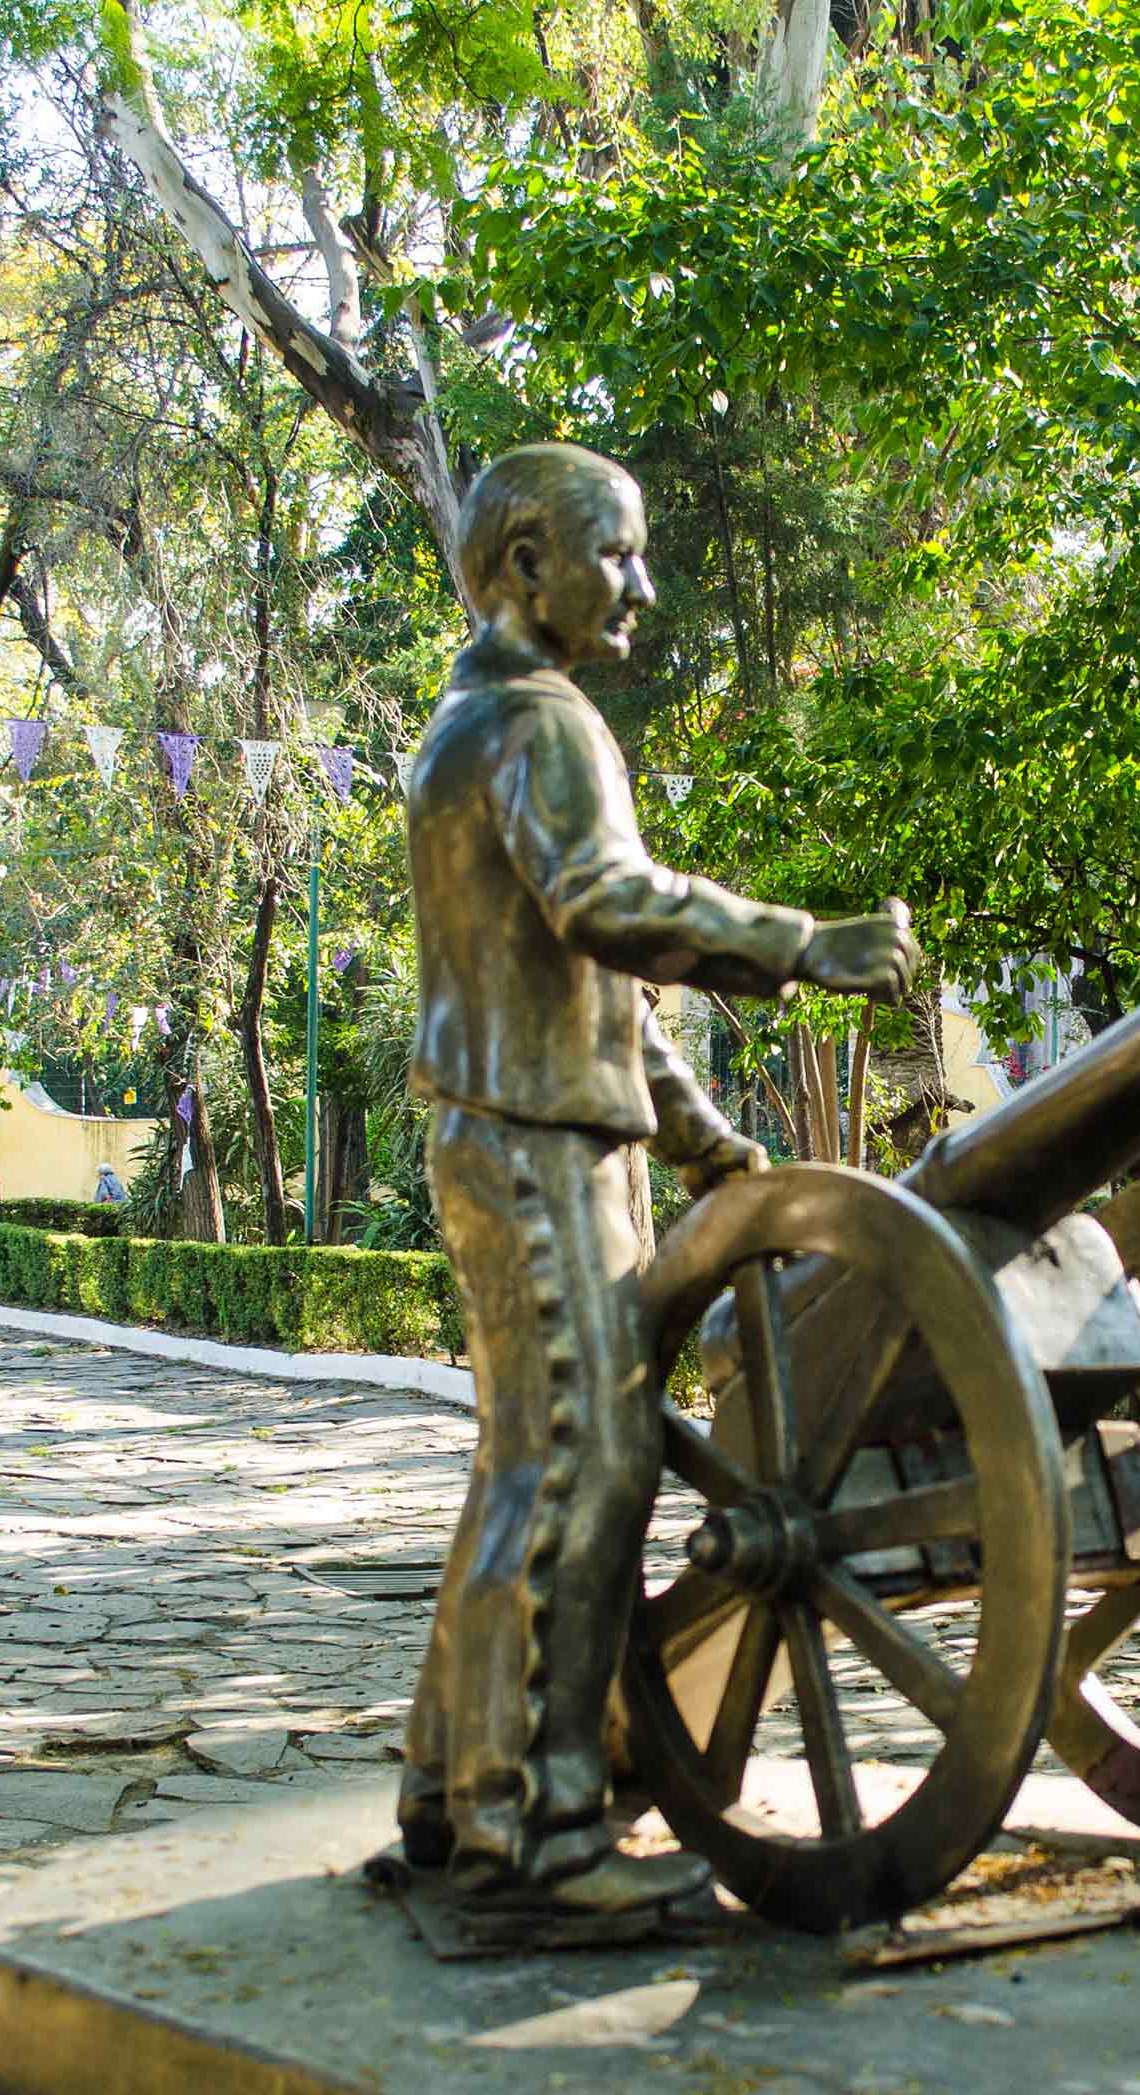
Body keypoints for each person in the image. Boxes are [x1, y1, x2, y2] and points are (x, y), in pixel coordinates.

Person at [397, 441, 917, 1918]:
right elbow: (607, 908)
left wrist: (697, 1139)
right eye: (612, 553)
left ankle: (451, 1796)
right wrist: (804, 942)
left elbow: (588, 987)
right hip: (531, 1143)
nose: (640, 584)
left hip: (536, 1130)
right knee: (585, 1464)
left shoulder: (480, 722)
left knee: (525, 1464)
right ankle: (536, 1835)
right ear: (522, 565)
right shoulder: (536, 723)